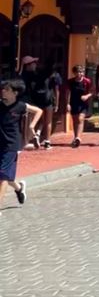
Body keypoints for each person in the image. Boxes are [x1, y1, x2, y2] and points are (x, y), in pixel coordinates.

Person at [0, 78, 42, 215]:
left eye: (7, 90)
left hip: (12, 144)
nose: (3, 91)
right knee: (5, 175)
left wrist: (31, 125)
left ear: (15, 93)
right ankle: (19, 188)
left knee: (3, 176)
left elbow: (39, 111)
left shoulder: (21, 106)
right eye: (2, 89)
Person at [67, 64, 93, 148]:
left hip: (83, 104)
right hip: (73, 102)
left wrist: (87, 96)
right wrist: (67, 103)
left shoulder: (87, 81)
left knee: (80, 119)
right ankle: (76, 137)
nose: (80, 74)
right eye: (78, 72)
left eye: (81, 72)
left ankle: (78, 137)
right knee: (75, 120)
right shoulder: (70, 82)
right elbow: (68, 93)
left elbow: (92, 91)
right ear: (74, 73)